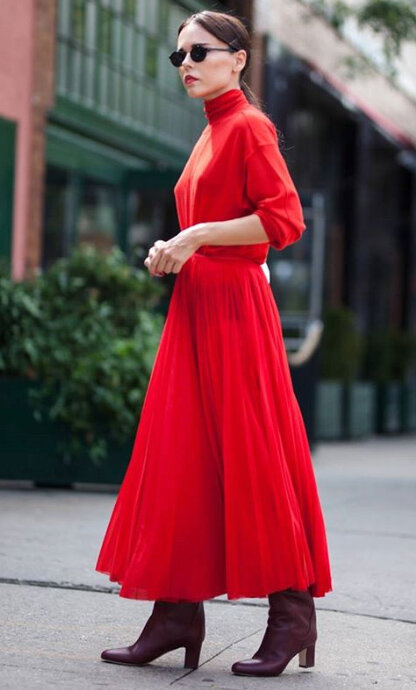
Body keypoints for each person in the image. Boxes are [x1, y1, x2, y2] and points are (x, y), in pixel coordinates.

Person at [95, 9, 332, 678]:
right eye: (178, 57)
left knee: (253, 453)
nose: (187, 65)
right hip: (197, 307)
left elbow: (282, 219)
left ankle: (291, 615)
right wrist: (172, 250)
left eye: (199, 52)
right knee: (183, 456)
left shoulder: (250, 126)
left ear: (238, 59)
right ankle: (174, 615)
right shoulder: (210, 134)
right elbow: (213, 224)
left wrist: (196, 236)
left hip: (234, 311)